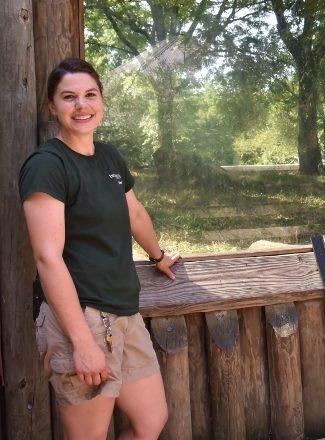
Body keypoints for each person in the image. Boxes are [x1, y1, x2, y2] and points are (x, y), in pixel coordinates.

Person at [19, 57, 180, 440]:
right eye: (69, 97)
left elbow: (135, 213)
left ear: (101, 100)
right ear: (51, 106)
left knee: (150, 422)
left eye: (90, 94)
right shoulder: (47, 165)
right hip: (83, 315)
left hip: (124, 311)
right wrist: (81, 342)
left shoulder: (109, 157)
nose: (82, 105)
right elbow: (47, 256)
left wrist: (158, 257)